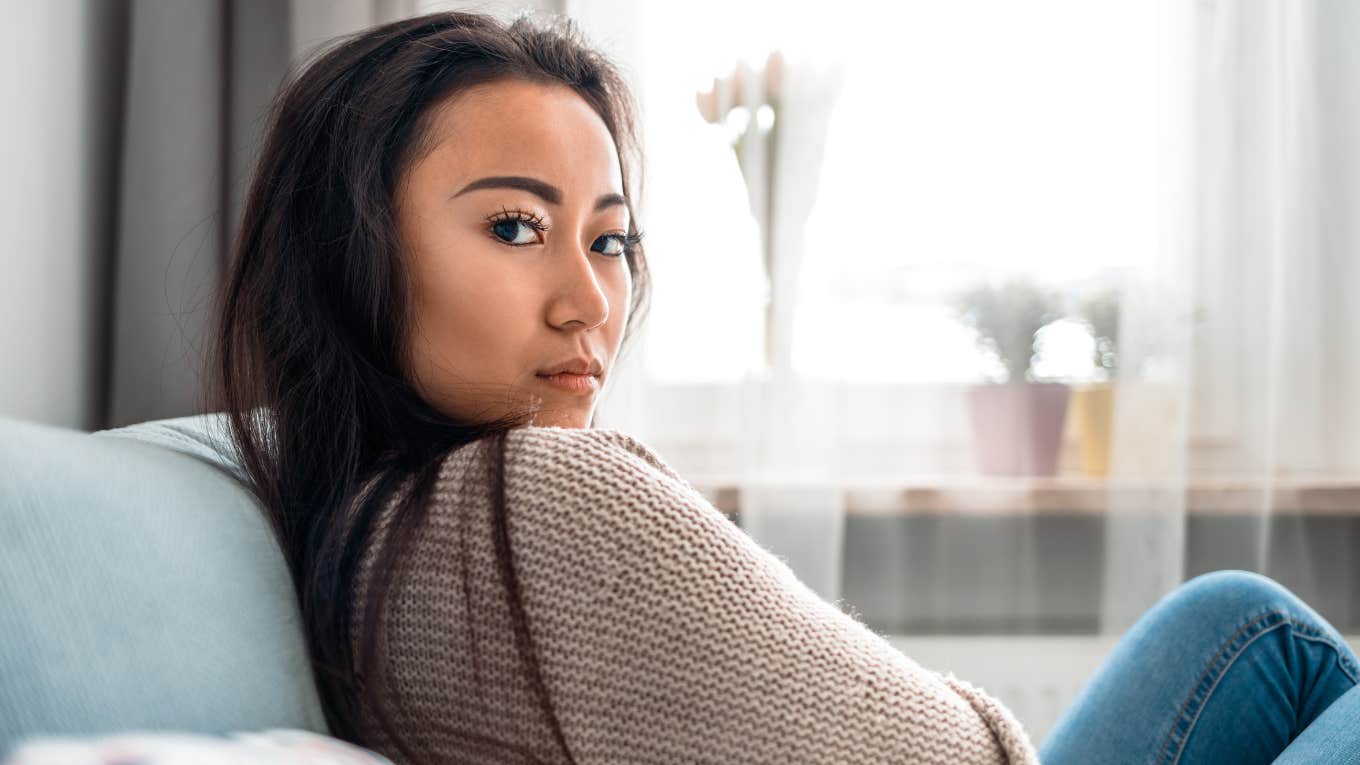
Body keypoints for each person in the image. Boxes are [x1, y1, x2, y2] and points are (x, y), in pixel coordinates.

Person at [207, 10, 1359, 764]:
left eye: (608, 242)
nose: (587, 301)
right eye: (516, 227)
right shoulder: (534, 493)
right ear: (351, 250)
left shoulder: (356, 519)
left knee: (1234, 622)